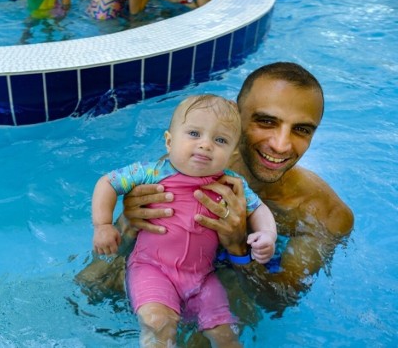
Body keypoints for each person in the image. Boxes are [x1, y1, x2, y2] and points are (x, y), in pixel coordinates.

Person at [77, 62, 354, 338]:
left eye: (301, 130)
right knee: (89, 291)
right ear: (236, 115)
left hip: (228, 280)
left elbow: (279, 301)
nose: (281, 145)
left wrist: (237, 244)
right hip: (158, 266)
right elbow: (110, 251)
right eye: (266, 122)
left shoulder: (326, 213)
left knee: (223, 323)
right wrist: (128, 224)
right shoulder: (194, 160)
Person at [92, 94, 277, 347]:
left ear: (233, 152)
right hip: (152, 268)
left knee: (226, 333)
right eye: (193, 134)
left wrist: (267, 235)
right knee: (158, 323)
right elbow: (108, 183)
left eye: (220, 140)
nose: (205, 145)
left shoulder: (232, 182)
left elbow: (259, 209)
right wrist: (102, 225)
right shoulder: (152, 172)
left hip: (203, 278)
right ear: (169, 142)